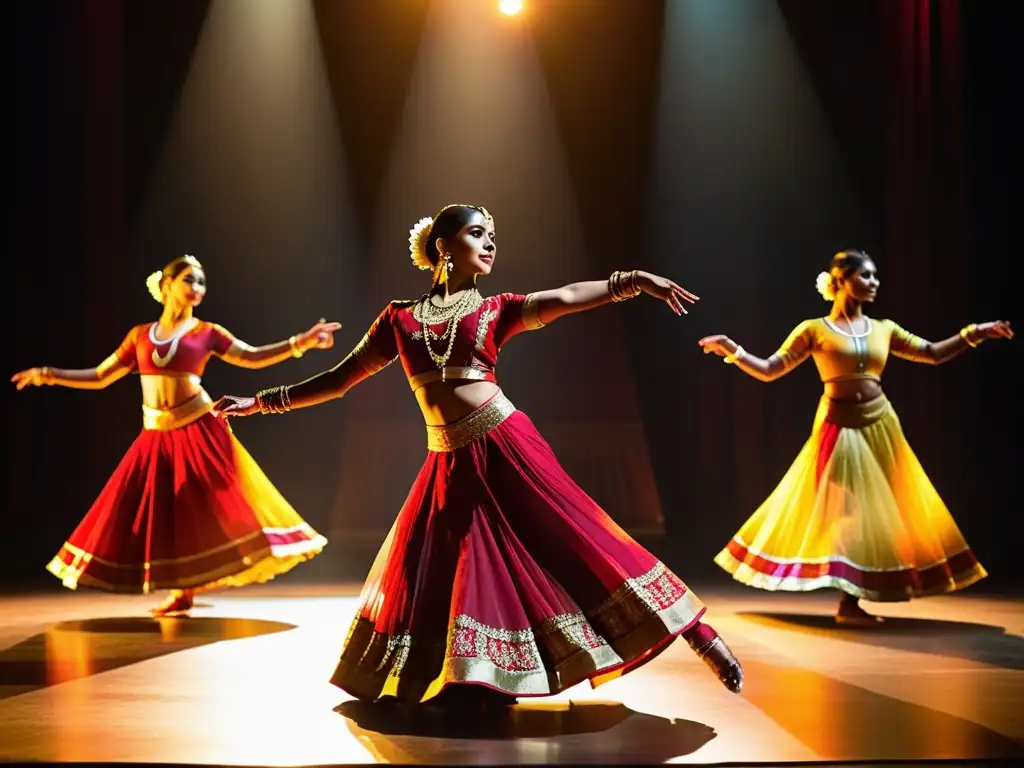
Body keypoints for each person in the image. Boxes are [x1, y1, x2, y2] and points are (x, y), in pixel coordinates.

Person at [215, 204, 744, 709]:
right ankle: (477, 683)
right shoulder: (400, 320)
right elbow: (338, 382)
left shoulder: (497, 309)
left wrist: (629, 282)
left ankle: (697, 631)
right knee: (456, 571)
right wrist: (260, 403)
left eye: (493, 237)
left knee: (576, 538)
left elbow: (564, 296)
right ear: (443, 246)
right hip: (447, 460)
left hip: (504, 443)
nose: (489, 242)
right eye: (476, 233)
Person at [699, 249, 1013, 626]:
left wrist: (973, 334)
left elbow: (930, 353)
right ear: (840, 280)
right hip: (839, 427)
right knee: (849, 514)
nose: (874, 283)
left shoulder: (885, 329)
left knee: (879, 513)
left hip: (880, 425)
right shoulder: (813, 329)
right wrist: (734, 351)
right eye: (866, 276)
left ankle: (854, 601)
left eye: (876, 277)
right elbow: (770, 369)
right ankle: (849, 604)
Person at [11, 254, 338, 616]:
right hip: (156, 434)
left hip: (198, 428)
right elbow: (101, 376)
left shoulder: (206, 332)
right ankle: (183, 590)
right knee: (162, 514)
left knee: (205, 510)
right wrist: (49, 373)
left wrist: (301, 342)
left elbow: (251, 356)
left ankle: (191, 587)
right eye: (189, 280)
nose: (197, 288)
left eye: (201, 282)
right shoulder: (139, 336)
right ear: (166, 285)